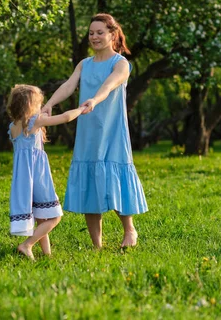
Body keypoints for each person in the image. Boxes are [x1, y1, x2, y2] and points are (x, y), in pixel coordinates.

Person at [42, 13, 148, 249]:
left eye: (100, 32)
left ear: (112, 34)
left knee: (115, 178)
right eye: (91, 33)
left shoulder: (120, 63)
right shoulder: (84, 64)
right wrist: (49, 104)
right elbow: (69, 86)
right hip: (88, 132)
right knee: (90, 183)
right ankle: (97, 246)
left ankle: (130, 231)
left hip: (112, 131)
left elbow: (109, 86)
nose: (95, 37)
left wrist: (93, 101)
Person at [7, 84, 85, 260]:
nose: (40, 107)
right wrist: (80, 109)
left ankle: (46, 254)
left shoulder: (13, 126)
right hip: (38, 175)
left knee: (43, 216)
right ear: (29, 105)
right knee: (54, 216)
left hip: (23, 179)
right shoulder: (35, 122)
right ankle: (27, 244)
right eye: (38, 104)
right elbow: (65, 117)